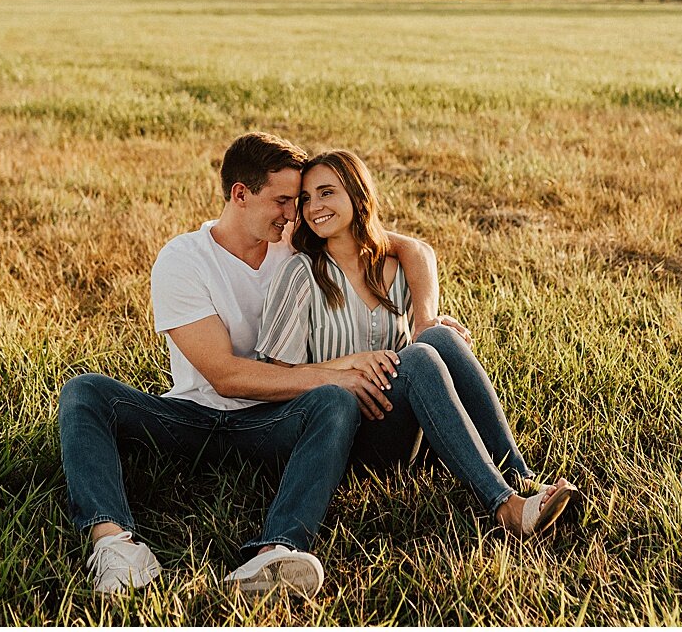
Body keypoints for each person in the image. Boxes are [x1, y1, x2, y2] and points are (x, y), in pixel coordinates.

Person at [57, 132, 439, 597]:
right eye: (282, 200)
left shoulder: (298, 244)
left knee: (333, 404)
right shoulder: (183, 259)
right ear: (240, 194)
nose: (293, 213)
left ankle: (276, 550)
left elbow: (409, 248)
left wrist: (425, 321)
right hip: (194, 417)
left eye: (296, 202)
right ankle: (116, 546)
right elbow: (225, 375)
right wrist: (339, 370)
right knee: (86, 392)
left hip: (273, 422)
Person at [257, 149, 580, 540]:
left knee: (437, 335)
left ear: (358, 196)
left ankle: (522, 478)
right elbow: (274, 376)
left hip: (403, 431)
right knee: (420, 357)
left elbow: (418, 250)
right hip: (344, 438)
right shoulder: (301, 273)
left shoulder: (396, 270)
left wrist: (426, 320)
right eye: (306, 198)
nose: (313, 207)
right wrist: (350, 365)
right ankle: (504, 505)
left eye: (327, 193)